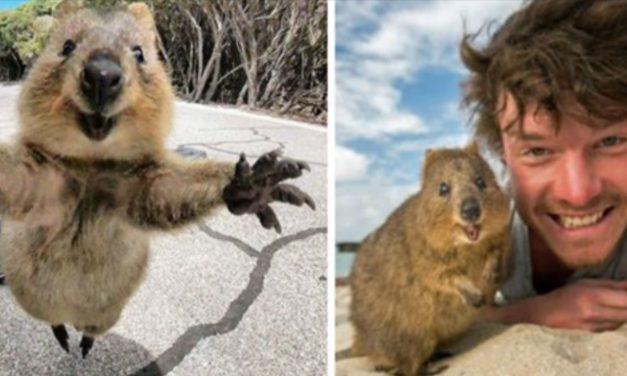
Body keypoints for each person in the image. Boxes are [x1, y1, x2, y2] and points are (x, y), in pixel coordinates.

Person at [461, 0, 627, 332]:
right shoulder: (477, 229)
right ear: (502, 153)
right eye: (538, 150)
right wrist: (530, 313)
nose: (578, 194)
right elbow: (406, 313)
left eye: (611, 141)